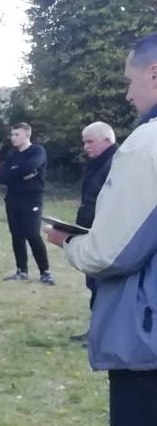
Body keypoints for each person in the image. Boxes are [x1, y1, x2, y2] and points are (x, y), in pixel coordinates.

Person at [48, 31, 157, 426]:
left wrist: (72, 246)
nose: (128, 90)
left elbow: (115, 249)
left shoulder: (147, 144)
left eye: (129, 78)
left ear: (154, 74)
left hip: (149, 344)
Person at [73, 122, 119, 341]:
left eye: (90, 142)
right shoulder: (97, 163)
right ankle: (96, 330)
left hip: (105, 233)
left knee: (102, 283)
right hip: (90, 230)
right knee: (93, 282)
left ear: (107, 141)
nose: (85, 147)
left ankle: (102, 332)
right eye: (84, 142)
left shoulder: (117, 163)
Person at [0, 122, 55, 284]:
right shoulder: (12, 155)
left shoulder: (37, 151)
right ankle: (21, 271)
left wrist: (16, 172)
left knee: (32, 234)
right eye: (12, 134)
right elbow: (3, 176)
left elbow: (30, 166)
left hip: (32, 199)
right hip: (12, 199)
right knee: (17, 235)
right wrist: (20, 174)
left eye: (17, 135)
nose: (13, 138)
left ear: (27, 135)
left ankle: (45, 272)